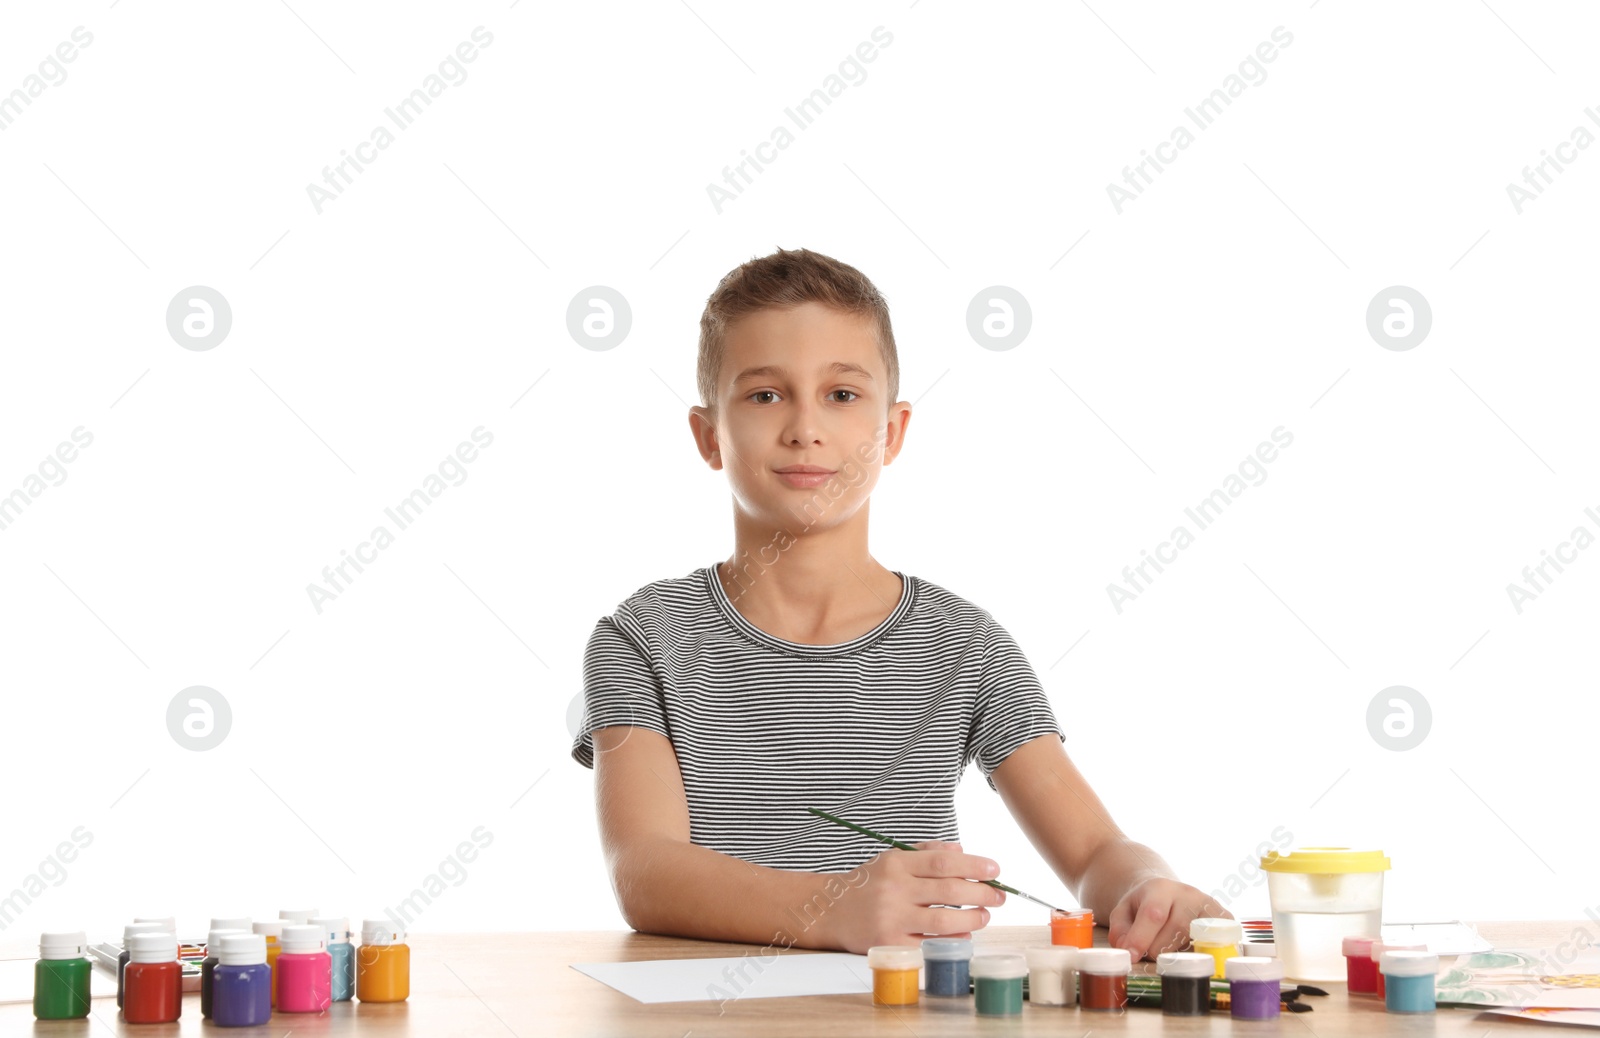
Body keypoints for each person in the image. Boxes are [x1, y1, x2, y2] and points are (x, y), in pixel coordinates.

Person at [571, 246, 1226, 957]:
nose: (805, 428)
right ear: (708, 437)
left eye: (842, 395)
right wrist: (829, 909)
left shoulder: (966, 645)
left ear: (892, 433)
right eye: (765, 394)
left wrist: (1150, 889)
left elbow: (1098, 851)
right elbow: (643, 871)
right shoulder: (642, 638)